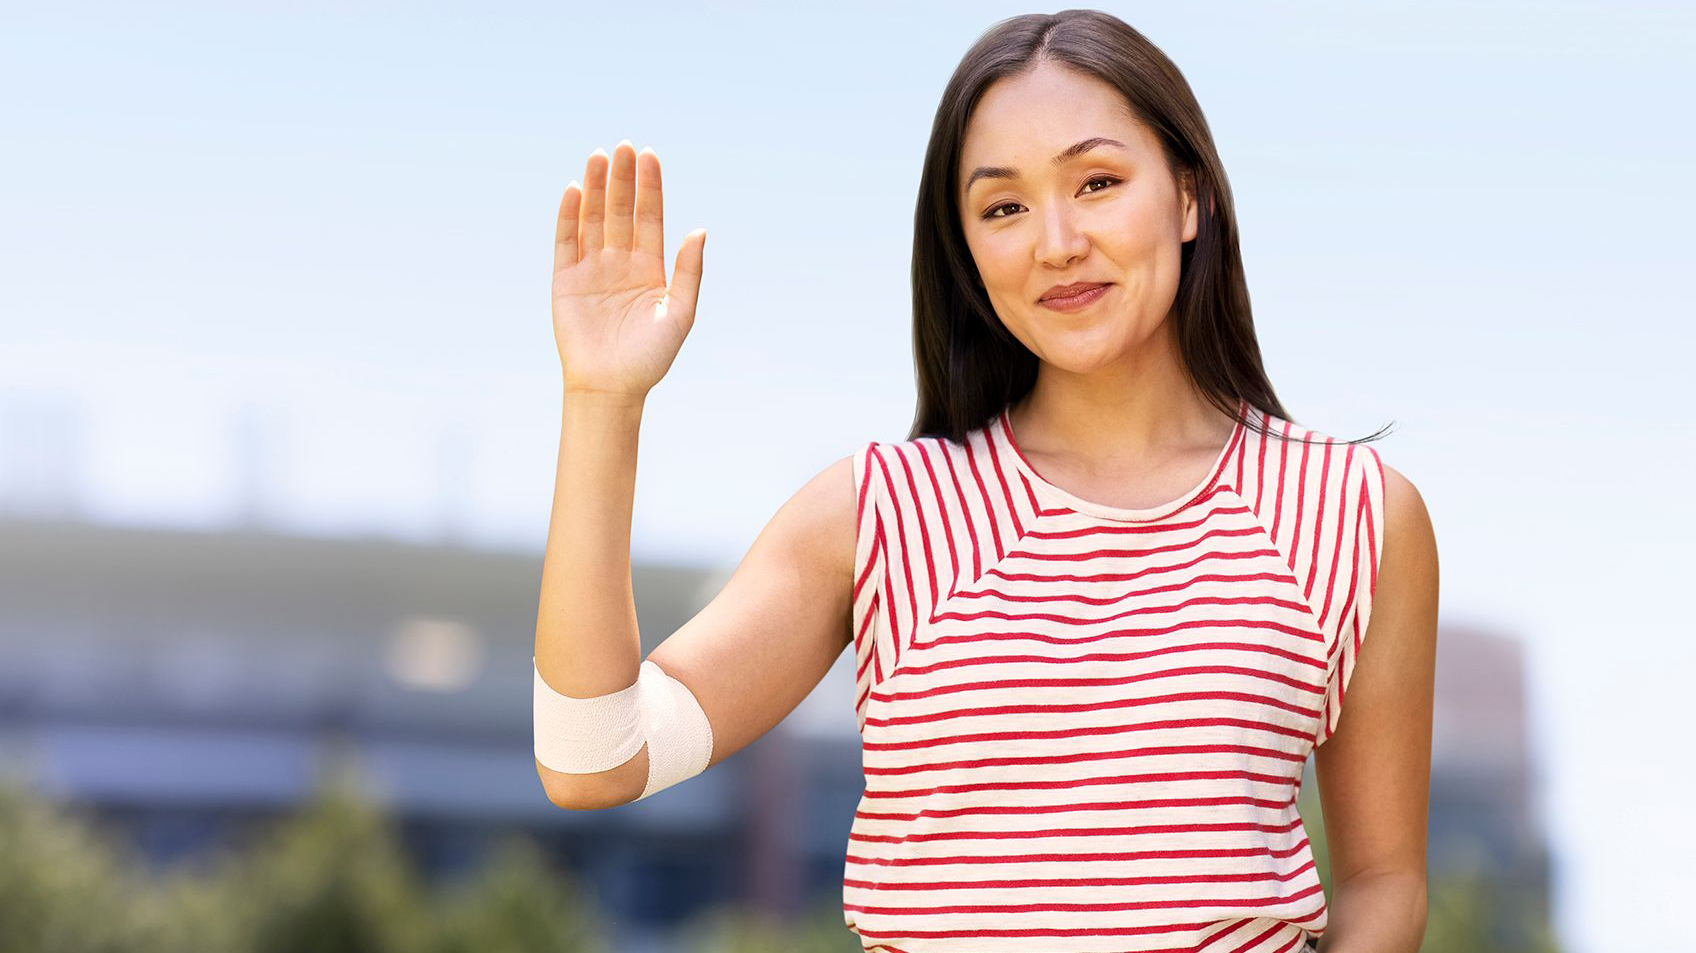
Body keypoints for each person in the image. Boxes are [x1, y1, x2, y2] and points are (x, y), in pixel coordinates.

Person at [531, 10, 1437, 953]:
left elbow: (1384, 883)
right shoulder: (878, 514)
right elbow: (592, 759)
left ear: (1188, 196)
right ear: (965, 248)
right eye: (1003, 206)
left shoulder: (1356, 515)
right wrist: (602, 398)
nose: (1056, 241)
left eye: (1097, 182)